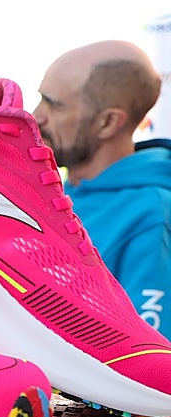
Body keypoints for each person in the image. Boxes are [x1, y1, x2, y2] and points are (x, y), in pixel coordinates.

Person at [34, 40, 171, 330]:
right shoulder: (55, 190)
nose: (36, 116)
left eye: (54, 106)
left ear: (108, 123)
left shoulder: (152, 216)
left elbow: (151, 361)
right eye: (41, 98)